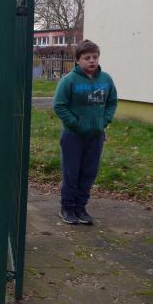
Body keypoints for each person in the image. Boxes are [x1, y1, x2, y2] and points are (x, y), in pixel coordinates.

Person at [53, 39, 117, 225]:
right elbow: (59, 105)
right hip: (73, 136)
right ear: (78, 60)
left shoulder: (106, 80)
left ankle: (81, 208)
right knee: (71, 173)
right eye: (87, 58)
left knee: (89, 173)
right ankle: (67, 208)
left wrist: (104, 121)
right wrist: (76, 124)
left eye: (95, 57)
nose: (92, 61)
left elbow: (112, 102)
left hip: (96, 135)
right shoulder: (69, 81)